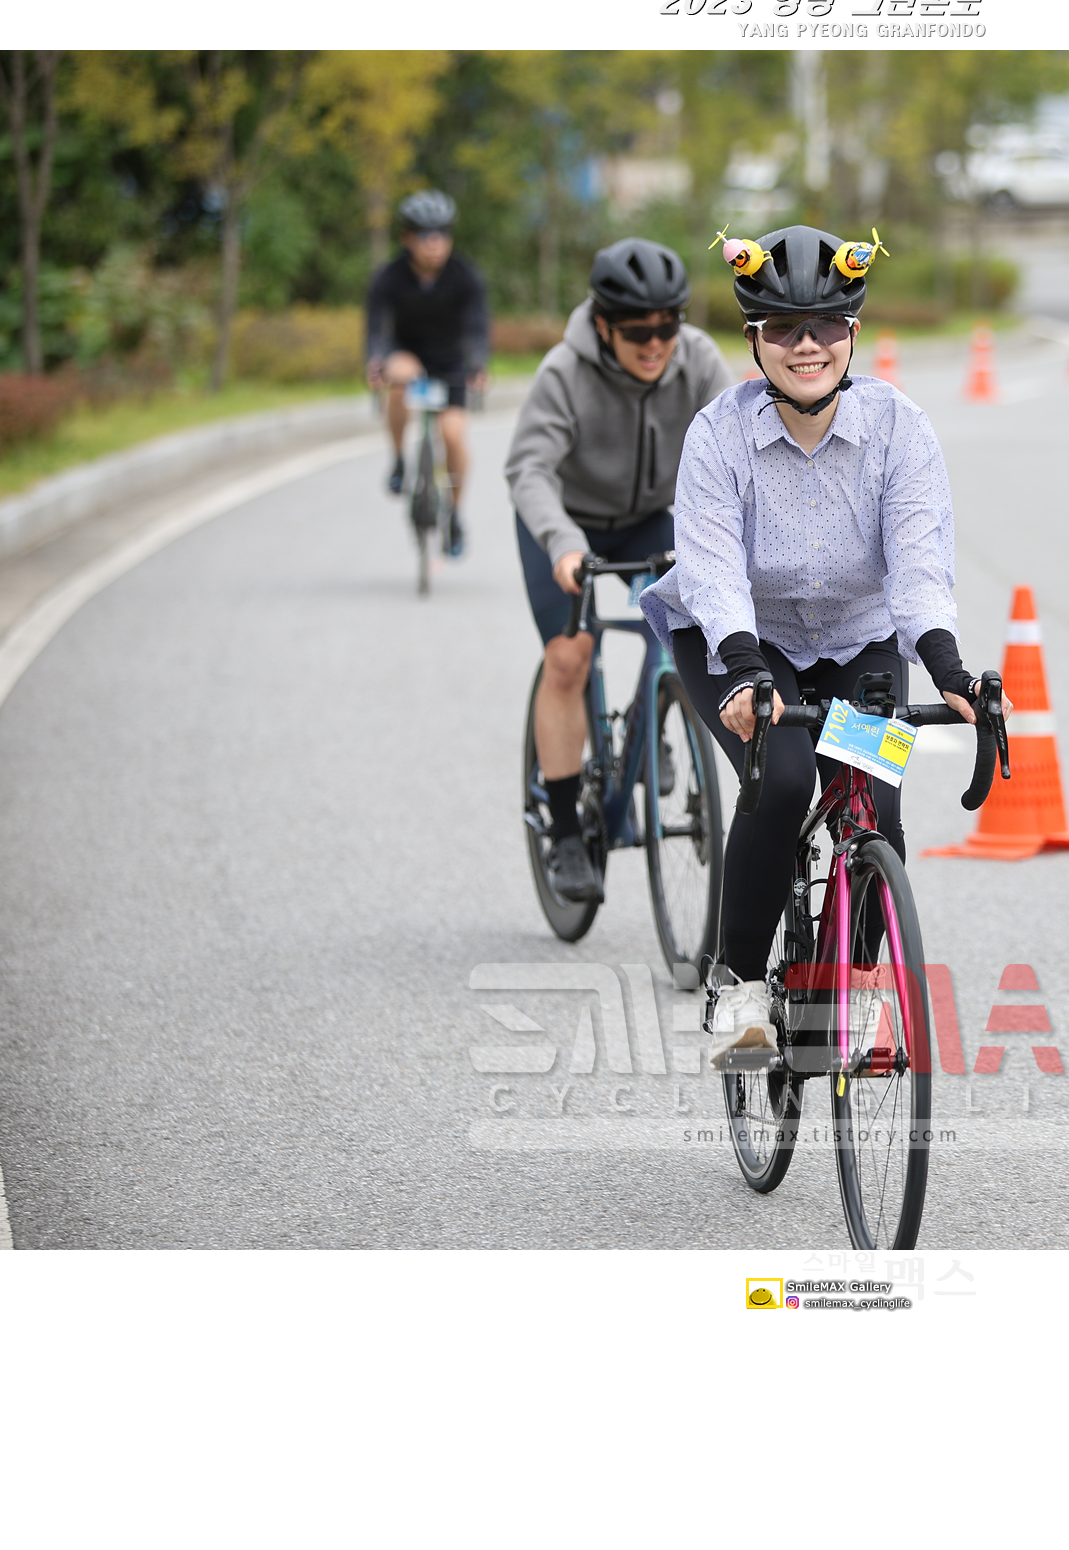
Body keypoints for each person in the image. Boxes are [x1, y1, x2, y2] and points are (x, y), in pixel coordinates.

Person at [638, 224, 1010, 1065]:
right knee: (782, 780)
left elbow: (918, 566)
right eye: (783, 328)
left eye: (825, 327)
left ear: (852, 332)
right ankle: (739, 987)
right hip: (737, 639)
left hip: (857, 636)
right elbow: (713, 572)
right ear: (753, 339)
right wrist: (744, 672)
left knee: (872, 797)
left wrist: (948, 669)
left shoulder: (899, 429)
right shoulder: (717, 436)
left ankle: (858, 991)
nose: (806, 345)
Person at [506, 238, 732, 903]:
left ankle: (654, 723)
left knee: (688, 638)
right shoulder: (563, 372)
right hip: (566, 524)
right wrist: (562, 544)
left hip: (649, 518)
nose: (655, 342)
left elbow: (737, 452)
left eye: (668, 325)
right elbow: (528, 469)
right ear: (603, 325)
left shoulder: (698, 360)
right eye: (637, 331)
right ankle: (565, 831)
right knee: (570, 657)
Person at [364, 190, 489, 557]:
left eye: (442, 235)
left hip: (451, 363)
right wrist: (375, 361)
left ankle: (455, 515)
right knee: (401, 376)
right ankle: (399, 459)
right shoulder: (389, 277)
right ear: (407, 239)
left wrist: (478, 365)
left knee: (453, 436)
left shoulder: (466, 276)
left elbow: (477, 329)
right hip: (409, 355)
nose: (435, 244)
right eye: (425, 236)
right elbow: (376, 328)